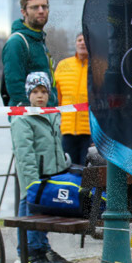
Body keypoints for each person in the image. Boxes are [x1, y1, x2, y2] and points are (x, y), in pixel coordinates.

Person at [11, 72, 74, 263]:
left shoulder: (53, 114)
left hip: (51, 175)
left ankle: (41, 248)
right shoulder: (22, 119)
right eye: (36, 91)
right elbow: (24, 153)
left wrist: (61, 167)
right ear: (28, 94)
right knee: (31, 212)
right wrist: (31, 182)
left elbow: (55, 144)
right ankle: (32, 252)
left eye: (44, 91)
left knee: (42, 212)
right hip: (34, 177)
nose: (40, 96)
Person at [1, 0, 54, 108]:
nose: (41, 11)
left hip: (46, 114)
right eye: (35, 7)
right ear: (23, 12)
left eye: (44, 7)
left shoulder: (39, 41)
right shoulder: (17, 42)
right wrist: (31, 111)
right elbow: (14, 85)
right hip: (28, 118)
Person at [54, 33, 91, 165]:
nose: (82, 43)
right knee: (68, 169)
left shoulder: (97, 67)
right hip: (68, 130)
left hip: (90, 131)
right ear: (75, 43)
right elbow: (56, 97)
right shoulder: (63, 65)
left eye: (85, 40)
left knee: (88, 172)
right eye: (79, 40)